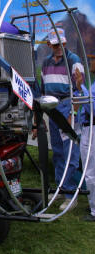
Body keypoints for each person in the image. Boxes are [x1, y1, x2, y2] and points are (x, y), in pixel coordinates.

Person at [38, 28, 84, 211]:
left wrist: (73, 112)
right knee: (57, 151)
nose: (59, 47)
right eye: (55, 44)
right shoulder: (46, 62)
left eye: (61, 43)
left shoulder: (73, 60)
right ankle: (60, 189)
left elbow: (80, 91)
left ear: (64, 42)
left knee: (70, 152)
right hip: (52, 108)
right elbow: (42, 90)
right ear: (49, 44)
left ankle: (71, 194)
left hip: (66, 107)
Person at [75, 58, 95, 221]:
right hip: (89, 127)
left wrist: (81, 87)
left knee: (90, 171)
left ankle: (94, 210)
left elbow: (92, 107)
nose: (91, 64)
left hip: (92, 128)